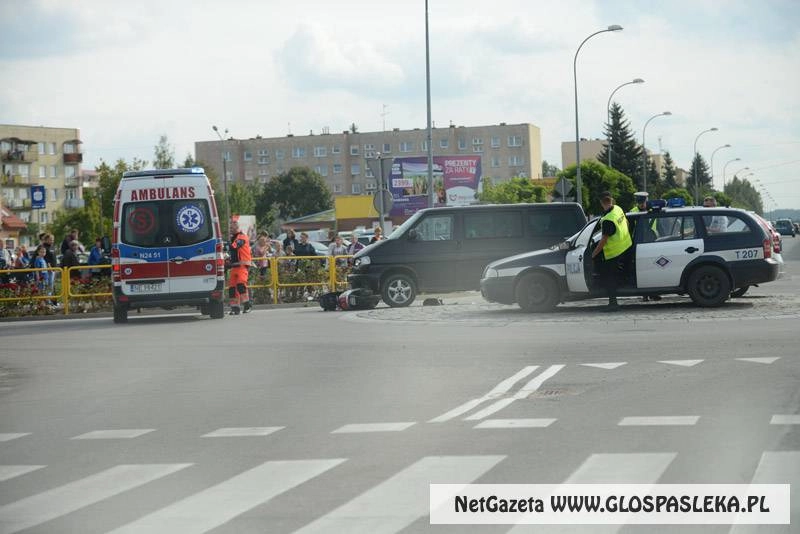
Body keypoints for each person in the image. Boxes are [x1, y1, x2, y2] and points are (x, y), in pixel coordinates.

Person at [591, 192, 633, 311]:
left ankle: (613, 303)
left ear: (601, 203)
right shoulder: (618, 209)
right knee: (618, 275)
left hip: (613, 253)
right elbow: (627, 223)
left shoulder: (607, 219)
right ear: (611, 200)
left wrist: (593, 255)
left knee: (609, 278)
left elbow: (603, 240)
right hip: (626, 246)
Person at [227, 217, 252, 315]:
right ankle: (235, 308)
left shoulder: (242, 237)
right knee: (232, 288)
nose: (230, 230)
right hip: (234, 266)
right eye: (230, 228)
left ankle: (247, 305)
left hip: (242, 266)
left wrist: (225, 245)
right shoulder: (234, 237)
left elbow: (234, 246)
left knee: (241, 285)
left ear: (237, 228)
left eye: (232, 228)